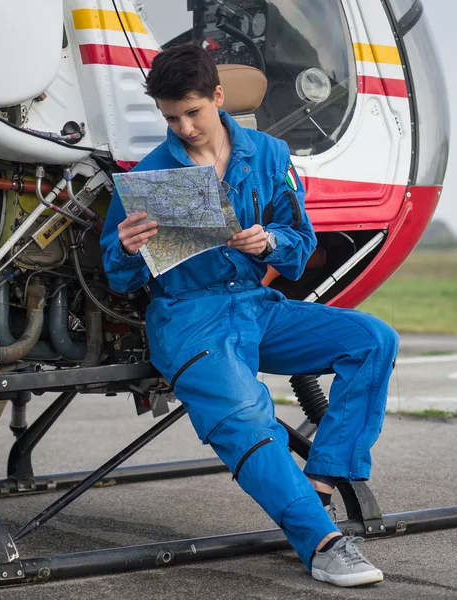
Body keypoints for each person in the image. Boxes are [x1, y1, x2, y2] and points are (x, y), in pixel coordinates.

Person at [101, 43, 398, 588]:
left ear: (218, 96)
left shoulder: (267, 153)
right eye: (171, 117)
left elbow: (300, 242)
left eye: (193, 111)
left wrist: (269, 243)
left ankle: (324, 480)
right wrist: (124, 248)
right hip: (190, 318)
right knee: (245, 416)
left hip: (258, 307)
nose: (185, 127)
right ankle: (325, 544)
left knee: (373, 339)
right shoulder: (150, 177)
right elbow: (117, 277)